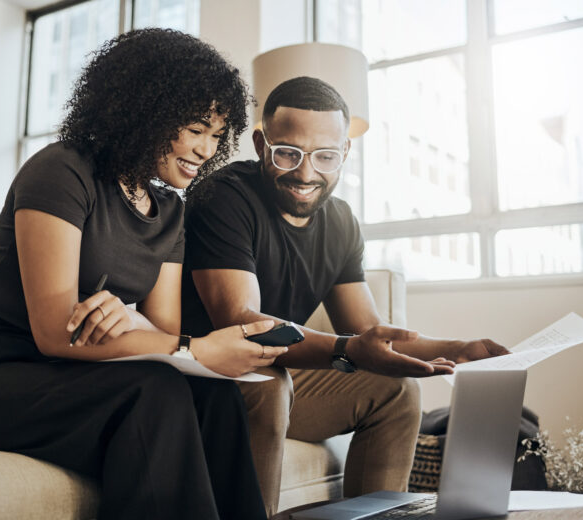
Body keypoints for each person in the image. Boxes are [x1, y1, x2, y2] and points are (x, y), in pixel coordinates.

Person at [0, 29, 284, 520]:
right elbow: (51, 332)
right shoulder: (63, 170)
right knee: (155, 393)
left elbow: (163, 330)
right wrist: (198, 347)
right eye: (195, 129)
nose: (206, 150)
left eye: (216, 135)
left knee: (213, 395)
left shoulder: (170, 210)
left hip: (70, 378)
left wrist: (128, 315)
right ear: (147, 108)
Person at [181, 76, 510, 515]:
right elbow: (245, 324)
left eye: (325, 157)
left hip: (275, 377)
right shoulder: (223, 198)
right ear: (261, 144)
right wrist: (349, 350)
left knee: (398, 391)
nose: (306, 172)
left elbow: (369, 332)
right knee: (268, 382)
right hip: (203, 379)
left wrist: (458, 349)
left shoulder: (340, 222)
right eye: (288, 153)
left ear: (346, 153)